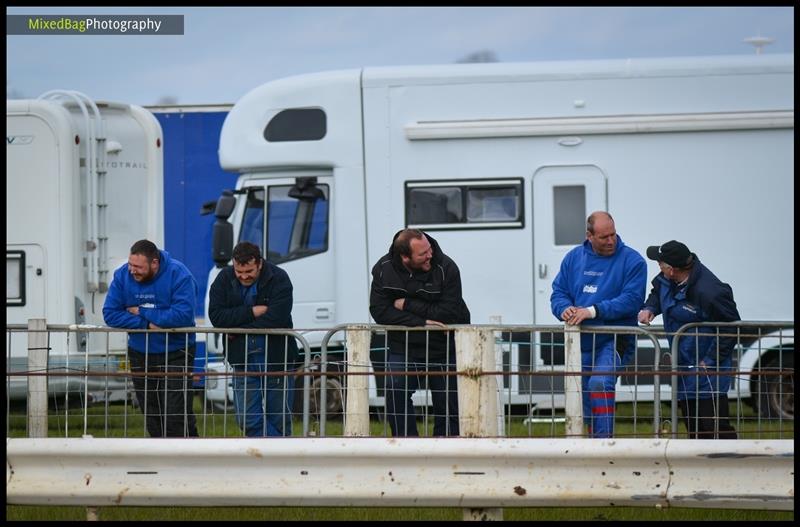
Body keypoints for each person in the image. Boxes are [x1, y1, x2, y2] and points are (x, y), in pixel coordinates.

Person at [550, 212, 646, 438]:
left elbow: (632, 300)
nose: (611, 240)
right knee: (581, 398)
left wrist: (592, 311)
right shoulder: (573, 258)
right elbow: (558, 292)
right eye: (604, 237)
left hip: (614, 339)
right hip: (580, 341)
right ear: (589, 235)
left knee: (600, 384)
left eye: (613, 234)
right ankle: (585, 445)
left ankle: (603, 446)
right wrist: (564, 308)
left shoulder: (633, 261)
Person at [369, 228, 470, 437]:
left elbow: (449, 312)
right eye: (423, 254)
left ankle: (447, 450)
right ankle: (407, 447)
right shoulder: (382, 269)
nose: (430, 255)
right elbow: (379, 311)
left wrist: (406, 304)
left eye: (429, 249)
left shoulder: (447, 268)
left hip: (445, 345)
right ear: (405, 257)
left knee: (449, 403)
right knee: (395, 392)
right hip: (404, 346)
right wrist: (422, 322)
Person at [638, 240, 739, 439]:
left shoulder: (711, 291)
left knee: (714, 428)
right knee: (693, 428)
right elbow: (658, 293)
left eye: (660, 263)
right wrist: (650, 308)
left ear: (673, 269)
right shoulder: (667, 279)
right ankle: (700, 468)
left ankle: (733, 464)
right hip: (684, 367)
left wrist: (710, 361)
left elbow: (732, 327)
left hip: (708, 372)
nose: (658, 266)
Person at [103, 239, 199, 437]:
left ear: (154, 263)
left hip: (176, 352)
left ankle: (183, 455)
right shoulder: (122, 275)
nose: (132, 271)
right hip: (141, 352)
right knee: (151, 412)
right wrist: (145, 325)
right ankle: (161, 458)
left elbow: (183, 315)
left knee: (175, 412)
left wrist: (141, 311)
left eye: (138, 267)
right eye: (130, 265)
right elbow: (110, 313)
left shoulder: (179, 274)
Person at [208, 241, 298, 437]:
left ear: (259, 264)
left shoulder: (279, 278)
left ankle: (275, 459)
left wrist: (237, 328)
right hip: (243, 360)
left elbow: (276, 318)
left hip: (277, 358)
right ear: (233, 264)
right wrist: (252, 312)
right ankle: (279, 452)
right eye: (239, 271)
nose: (243, 276)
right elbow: (216, 316)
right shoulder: (224, 278)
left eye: (249, 271)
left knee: (280, 418)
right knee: (247, 420)